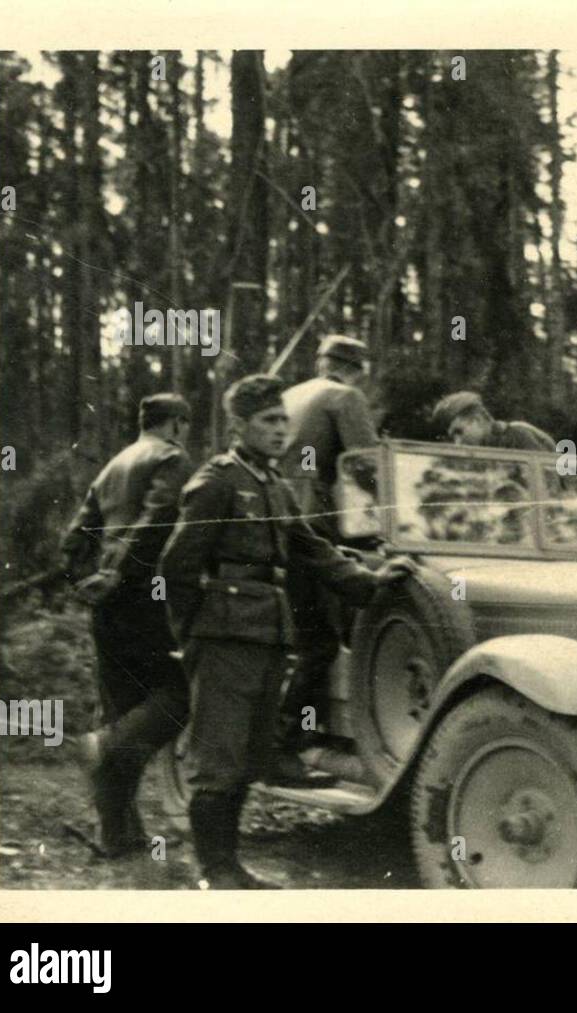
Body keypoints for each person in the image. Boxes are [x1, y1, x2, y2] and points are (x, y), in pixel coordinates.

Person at [158, 374, 410, 889]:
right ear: (240, 425)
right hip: (224, 638)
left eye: (283, 421)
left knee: (251, 754)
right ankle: (214, 872)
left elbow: (311, 549)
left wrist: (368, 581)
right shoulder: (218, 481)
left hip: (269, 633)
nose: (280, 431)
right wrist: (195, 638)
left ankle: (232, 867)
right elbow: (175, 568)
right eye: (268, 422)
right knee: (219, 758)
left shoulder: (271, 484)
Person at [61, 393, 194, 858]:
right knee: (178, 697)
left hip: (107, 603)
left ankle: (117, 835)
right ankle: (103, 746)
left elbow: (74, 537)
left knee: (125, 710)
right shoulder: (171, 458)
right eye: (185, 424)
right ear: (176, 424)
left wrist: (86, 581)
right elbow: (158, 517)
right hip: (147, 595)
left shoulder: (112, 466)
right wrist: (120, 570)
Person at [273, 334, 380, 786]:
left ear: (322, 362)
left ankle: (314, 733)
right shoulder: (344, 396)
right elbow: (367, 466)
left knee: (301, 636)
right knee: (324, 637)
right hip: (312, 516)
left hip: (274, 511)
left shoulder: (291, 394)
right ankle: (288, 744)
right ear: (356, 369)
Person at [429, 391, 557, 452]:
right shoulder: (483, 448)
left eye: (459, 432)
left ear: (477, 420)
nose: (457, 444)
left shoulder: (518, 436)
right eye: (452, 438)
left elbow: (545, 488)